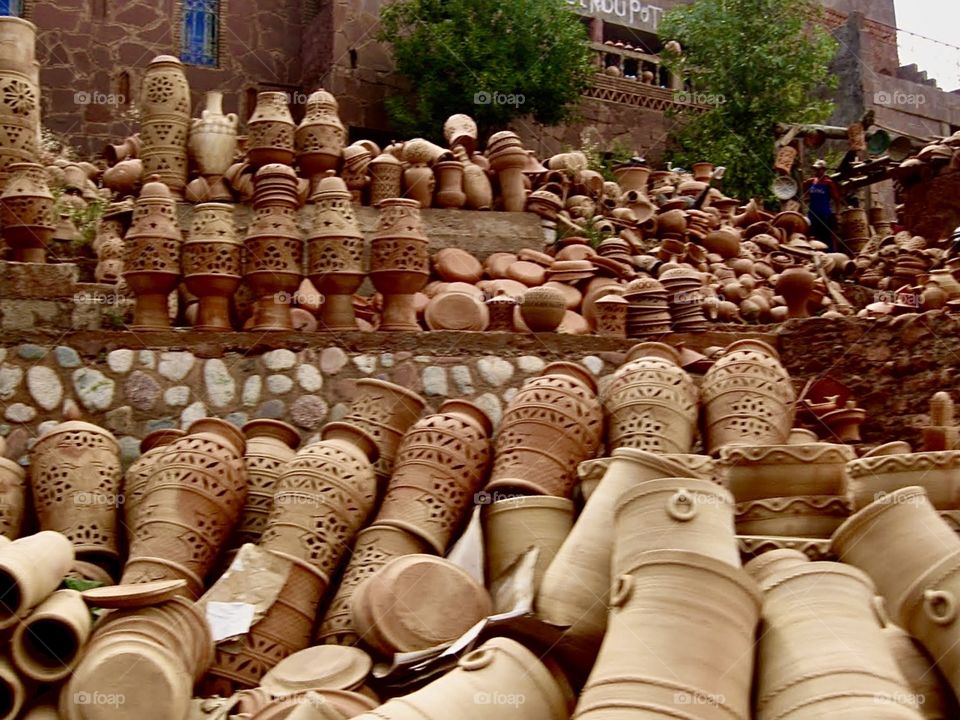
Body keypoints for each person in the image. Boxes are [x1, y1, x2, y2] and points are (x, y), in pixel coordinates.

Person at [803, 159, 844, 252]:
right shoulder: (812, 181)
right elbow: (803, 188)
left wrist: (838, 213)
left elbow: (836, 199)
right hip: (812, 213)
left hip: (824, 213)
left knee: (826, 236)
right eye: (815, 169)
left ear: (823, 170)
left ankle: (831, 254)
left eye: (818, 169)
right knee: (813, 235)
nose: (815, 171)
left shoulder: (829, 183)